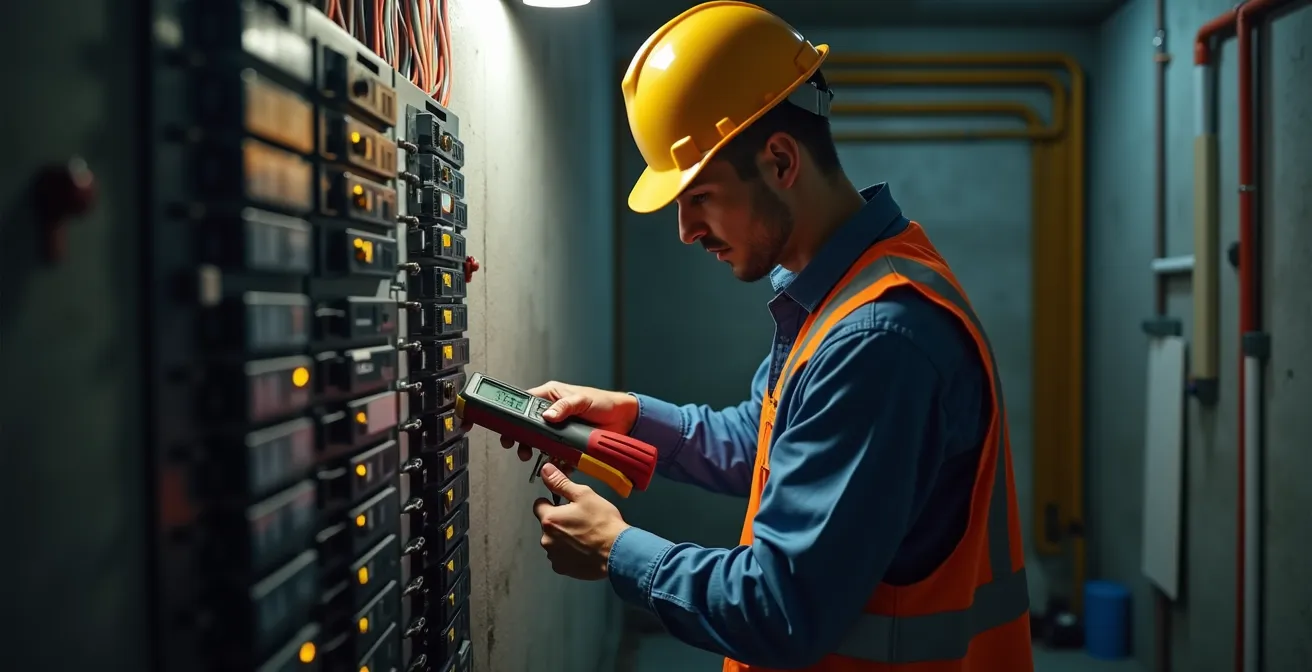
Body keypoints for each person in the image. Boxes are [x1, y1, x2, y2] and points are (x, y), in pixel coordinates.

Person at [495, 2, 1034, 670]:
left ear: (780, 161)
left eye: (700, 197)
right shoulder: (842, 290)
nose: (686, 231)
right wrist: (630, 417)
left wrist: (616, 550)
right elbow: (767, 441)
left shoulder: (878, 338)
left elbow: (782, 609)